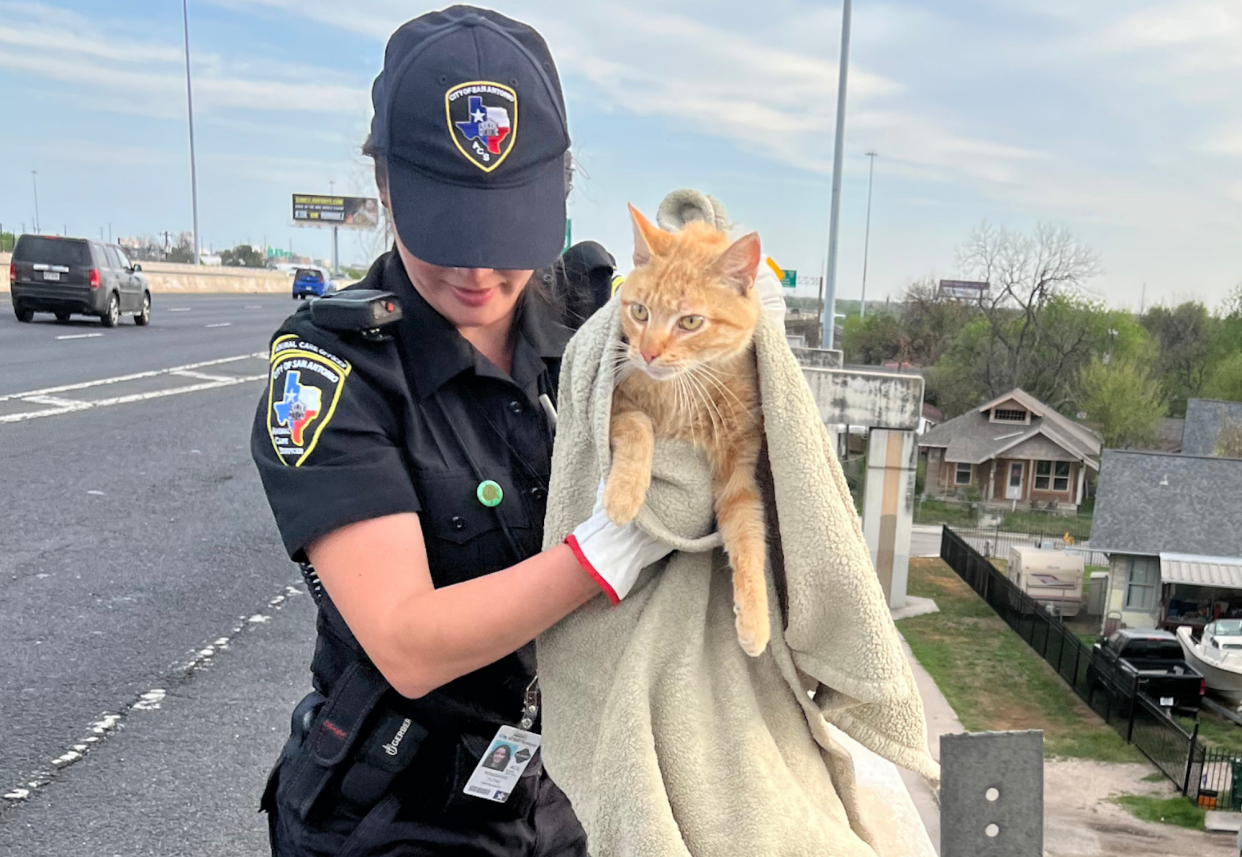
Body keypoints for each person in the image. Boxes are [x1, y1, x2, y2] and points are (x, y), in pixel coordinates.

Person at [251, 7, 672, 855]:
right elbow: (408, 641)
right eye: (449, 232)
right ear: (386, 190)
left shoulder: (597, 321)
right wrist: (605, 555)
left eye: (503, 234)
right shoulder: (332, 370)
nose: (478, 271)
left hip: (560, 793)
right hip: (396, 811)